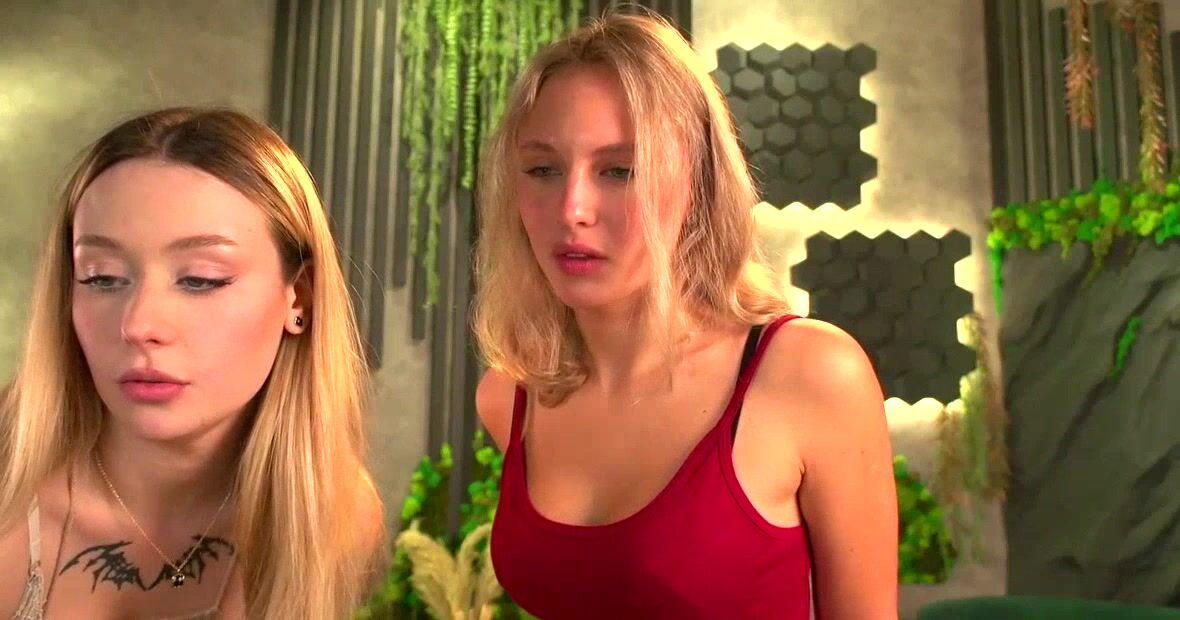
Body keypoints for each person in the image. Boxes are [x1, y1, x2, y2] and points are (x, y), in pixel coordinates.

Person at [473, 13, 898, 619]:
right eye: (543, 169)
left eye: (620, 170)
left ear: (699, 184)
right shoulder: (508, 397)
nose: (572, 209)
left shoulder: (810, 375)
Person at [0, 108, 385, 619]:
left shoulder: (332, 515)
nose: (139, 324)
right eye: (101, 276)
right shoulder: (10, 487)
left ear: (300, 298)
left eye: (201, 279)